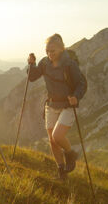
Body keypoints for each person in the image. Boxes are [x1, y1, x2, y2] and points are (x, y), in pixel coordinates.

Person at [27, 34, 86, 180]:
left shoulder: (69, 64)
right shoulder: (45, 63)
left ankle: (70, 153)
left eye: (52, 51)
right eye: (47, 51)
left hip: (67, 105)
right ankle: (61, 172)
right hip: (51, 104)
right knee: (52, 141)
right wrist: (31, 64)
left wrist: (76, 97)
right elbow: (32, 77)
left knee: (57, 136)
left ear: (61, 49)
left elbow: (81, 84)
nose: (49, 54)